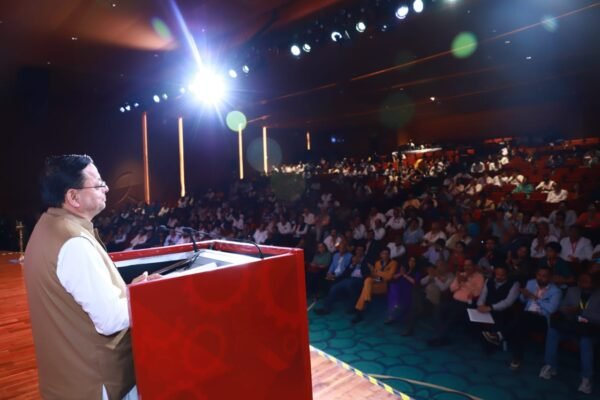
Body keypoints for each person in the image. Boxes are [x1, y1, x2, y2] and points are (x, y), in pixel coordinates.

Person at [24, 155, 160, 400]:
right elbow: (110, 319)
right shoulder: (73, 242)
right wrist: (145, 295)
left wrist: (129, 290)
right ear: (73, 197)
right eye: (98, 184)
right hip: (94, 380)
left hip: (66, 376)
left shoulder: (46, 227)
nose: (106, 188)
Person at [540, 272, 599, 395]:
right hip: (572, 326)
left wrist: (581, 312)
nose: (582, 284)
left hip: (591, 330)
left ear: (594, 283)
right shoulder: (572, 291)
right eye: (580, 281)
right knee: (553, 331)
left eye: (586, 281)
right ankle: (550, 365)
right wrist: (567, 311)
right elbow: (562, 307)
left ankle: (586, 378)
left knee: (585, 342)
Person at [506, 266, 561, 370]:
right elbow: (522, 300)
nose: (540, 278)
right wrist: (524, 295)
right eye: (538, 275)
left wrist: (535, 298)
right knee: (521, 326)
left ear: (550, 277)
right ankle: (517, 358)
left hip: (542, 319)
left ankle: (501, 335)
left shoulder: (556, 291)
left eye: (544, 276)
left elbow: (551, 309)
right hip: (526, 316)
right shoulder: (531, 283)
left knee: (522, 319)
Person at [427, 259, 484, 346]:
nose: (467, 267)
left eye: (469, 265)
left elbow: (478, 292)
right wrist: (459, 281)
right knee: (438, 308)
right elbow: (452, 288)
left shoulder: (479, 277)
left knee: (454, 314)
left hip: (467, 304)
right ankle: (441, 335)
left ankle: (440, 338)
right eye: (465, 265)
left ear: (474, 266)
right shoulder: (461, 275)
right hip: (454, 301)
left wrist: (466, 281)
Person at [477, 265, 520, 347]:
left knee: (500, 317)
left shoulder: (514, 284)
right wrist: (480, 305)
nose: (499, 277)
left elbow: (508, 302)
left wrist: (491, 308)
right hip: (487, 307)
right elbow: (483, 295)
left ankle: (495, 340)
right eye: (497, 274)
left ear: (507, 274)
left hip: (503, 310)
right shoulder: (489, 281)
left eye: (502, 275)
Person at [352, 248, 398, 323]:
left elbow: (389, 277)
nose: (385, 255)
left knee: (365, 289)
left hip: (385, 285)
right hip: (377, 282)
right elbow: (374, 275)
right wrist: (379, 274)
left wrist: (376, 271)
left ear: (389, 255)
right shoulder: (377, 263)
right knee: (368, 280)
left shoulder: (393, 263)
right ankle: (367, 298)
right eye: (383, 253)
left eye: (387, 254)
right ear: (380, 255)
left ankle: (359, 311)